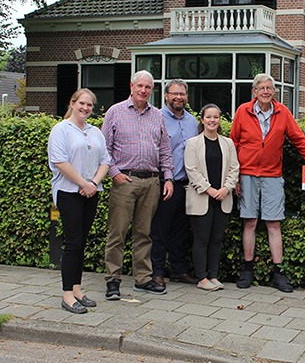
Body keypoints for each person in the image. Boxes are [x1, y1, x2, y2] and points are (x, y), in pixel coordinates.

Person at [230, 73, 305, 292]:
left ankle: (278, 273)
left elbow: (299, 139)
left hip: (272, 175)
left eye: (269, 88)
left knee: (274, 224)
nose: (265, 91)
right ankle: (247, 269)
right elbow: (232, 144)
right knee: (249, 222)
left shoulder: (283, 112)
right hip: (247, 174)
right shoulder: (243, 111)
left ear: (274, 91)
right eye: (261, 88)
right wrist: (233, 178)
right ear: (254, 92)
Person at [101, 70, 173, 299]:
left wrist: (168, 177)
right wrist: (114, 174)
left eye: (148, 87)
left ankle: (142, 278)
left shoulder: (158, 115)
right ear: (131, 86)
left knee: (144, 234)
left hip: (151, 181)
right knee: (118, 233)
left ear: (152, 90)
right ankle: (113, 280)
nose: (143, 90)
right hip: (125, 180)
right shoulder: (115, 112)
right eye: (140, 86)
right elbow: (104, 148)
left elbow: (164, 149)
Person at [48, 89, 110, 314]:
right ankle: (66, 295)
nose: (86, 108)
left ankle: (77, 289)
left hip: (91, 191)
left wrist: (92, 183)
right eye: (82, 103)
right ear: (72, 103)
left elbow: (105, 160)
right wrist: (82, 184)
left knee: (81, 242)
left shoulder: (95, 132)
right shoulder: (61, 130)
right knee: (73, 243)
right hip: (69, 192)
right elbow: (59, 161)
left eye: (90, 105)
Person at [184, 104, 240, 291]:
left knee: (216, 239)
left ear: (219, 120)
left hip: (223, 199)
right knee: (201, 239)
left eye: (215, 117)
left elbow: (234, 168)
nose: (212, 120)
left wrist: (226, 188)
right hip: (202, 198)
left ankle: (213, 276)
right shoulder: (193, 143)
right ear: (202, 119)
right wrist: (209, 190)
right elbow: (191, 170)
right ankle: (202, 278)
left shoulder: (228, 143)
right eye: (208, 117)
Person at [150, 80, 199, 287]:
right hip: (164, 183)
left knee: (181, 230)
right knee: (159, 231)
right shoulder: (156, 118)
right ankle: (157, 272)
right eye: (174, 93)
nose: (179, 97)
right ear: (166, 95)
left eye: (182, 94)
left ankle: (178, 270)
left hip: (187, 185)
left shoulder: (193, 121)